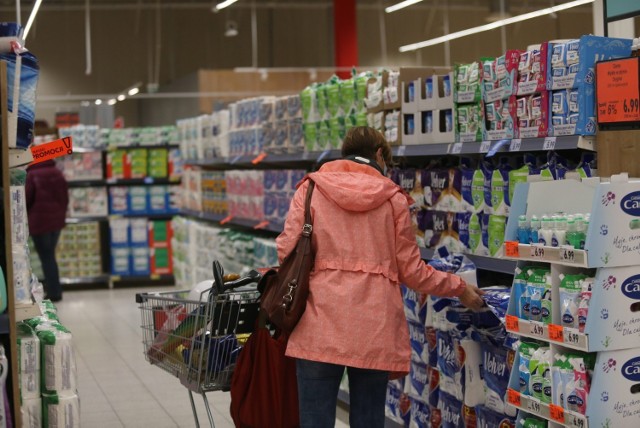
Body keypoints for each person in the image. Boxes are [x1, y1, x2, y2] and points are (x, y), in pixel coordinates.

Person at [276, 126, 485, 428]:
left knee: (314, 421)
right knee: (369, 419)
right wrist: (459, 287)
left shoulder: (310, 190)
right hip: (373, 328)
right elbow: (412, 272)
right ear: (378, 155)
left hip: (317, 324)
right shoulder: (393, 200)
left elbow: (286, 251)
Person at [26, 159, 69, 302]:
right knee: (50, 256)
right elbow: (65, 197)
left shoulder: (32, 175)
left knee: (46, 257)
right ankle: (55, 290)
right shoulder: (57, 172)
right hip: (56, 222)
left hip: (40, 223)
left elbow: (26, 199)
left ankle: (54, 292)